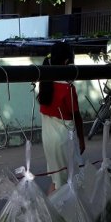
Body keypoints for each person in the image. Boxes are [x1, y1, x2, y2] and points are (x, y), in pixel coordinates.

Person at [38, 41, 85, 192]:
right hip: (64, 141)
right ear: (66, 62)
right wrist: (82, 140)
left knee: (57, 180)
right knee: (66, 185)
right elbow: (76, 116)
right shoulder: (67, 88)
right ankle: (56, 214)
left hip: (48, 140)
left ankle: (50, 213)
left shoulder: (45, 83)